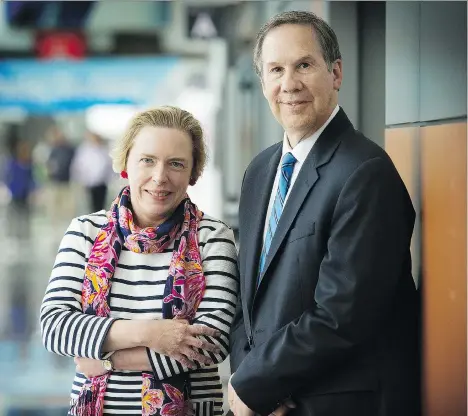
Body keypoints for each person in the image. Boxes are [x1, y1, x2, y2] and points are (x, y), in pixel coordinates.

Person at [228, 11, 420, 416]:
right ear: (262, 81)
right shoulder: (259, 171)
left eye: (304, 65)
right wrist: (254, 385)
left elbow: (343, 315)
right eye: (275, 69)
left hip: (336, 403)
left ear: (335, 74)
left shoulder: (365, 172)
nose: (289, 84)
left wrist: (256, 384)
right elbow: (248, 301)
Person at [40, 106, 239, 416]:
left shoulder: (213, 237)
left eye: (176, 163)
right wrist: (153, 333)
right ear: (125, 163)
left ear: (194, 173)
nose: (159, 177)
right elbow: (55, 327)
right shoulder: (85, 232)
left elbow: (212, 343)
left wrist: (109, 359)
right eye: (147, 160)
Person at [71, 130, 114, 213]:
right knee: (91, 204)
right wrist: (79, 178)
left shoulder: (104, 150)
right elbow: (79, 165)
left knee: (101, 204)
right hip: (89, 182)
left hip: (101, 182)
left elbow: (109, 165)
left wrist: (110, 178)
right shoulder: (85, 151)